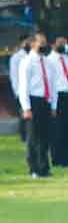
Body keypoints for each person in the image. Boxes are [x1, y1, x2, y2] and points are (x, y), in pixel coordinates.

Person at [18, 33, 55, 178]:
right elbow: (24, 86)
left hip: (45, 100)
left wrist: (53, 104)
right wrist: (26, 107)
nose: (43, 45)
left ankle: (44, 167)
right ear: (32, 44)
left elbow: (52, 84)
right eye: (41, 42)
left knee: (45, 136)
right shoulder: (27, 62)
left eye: (45, 42)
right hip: (33, 101)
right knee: (34, 136)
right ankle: (34, 168)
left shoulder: (47, 62)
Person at [48, 37, 68, 167]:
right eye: (61, 43)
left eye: (65, 43)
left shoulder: (66, 58)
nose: (64, 45)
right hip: (58, 96)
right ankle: (57, 158)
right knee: (58, 129)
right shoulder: (50, 60)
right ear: (53, 44)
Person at [10, 36, 32, 141]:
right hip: (21, 91)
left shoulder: (32, 56)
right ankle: (24, 136)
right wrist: (17, 92)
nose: (29, 43)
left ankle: (30, 135)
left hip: (32, 91)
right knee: (23, 115)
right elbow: (14, 76)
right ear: (22, 43)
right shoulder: (16, 57)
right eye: (27, 41)